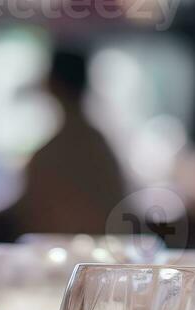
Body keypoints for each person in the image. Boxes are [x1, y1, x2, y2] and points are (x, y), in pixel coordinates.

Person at [13, 47, 127, 237]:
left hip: (67, 257)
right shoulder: (99, 146)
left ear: (52, 84)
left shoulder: (50, 155)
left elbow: (33, 218)